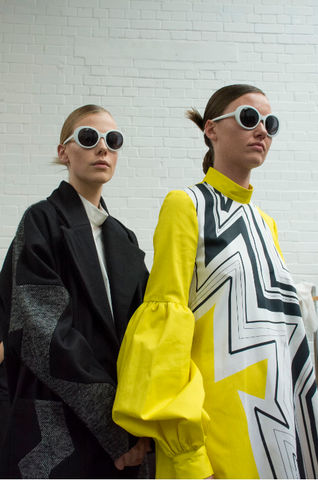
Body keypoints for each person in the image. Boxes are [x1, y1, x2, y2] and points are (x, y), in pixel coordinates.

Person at [113, 84, 318, 479]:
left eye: (269, 124)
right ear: (211, 129)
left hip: (278, 434)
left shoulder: (267, 225)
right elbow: (165, 334)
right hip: (216, 441)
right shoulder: (186, 205)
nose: (262, 131)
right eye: (248, 118)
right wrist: (189, 458)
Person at [0, 105, 151, 479]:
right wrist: (115, 430)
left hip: (126, 433)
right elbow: (42, 333)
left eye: (112, 141)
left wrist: (141, 426)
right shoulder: (40, 221)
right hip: (60, 433)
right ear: (63, 152)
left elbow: (144, 337)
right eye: (88, 137)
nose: (103, 148)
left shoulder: (124, 239)